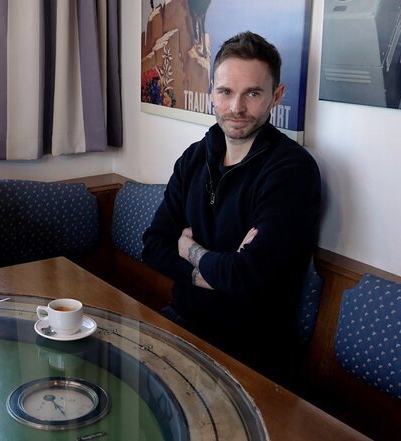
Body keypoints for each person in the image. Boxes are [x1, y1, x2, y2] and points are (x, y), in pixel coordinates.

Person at [141, 32, 321, 378]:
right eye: (225, 92)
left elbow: (247, 277)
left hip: (250, 351)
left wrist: (190, 250)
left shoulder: (292, 171)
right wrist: (211, 273)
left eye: (252, 93)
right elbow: (154, 246)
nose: (236, 108)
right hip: (182, 320)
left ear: (276, 96)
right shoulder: (194, 158)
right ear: (212, 92)